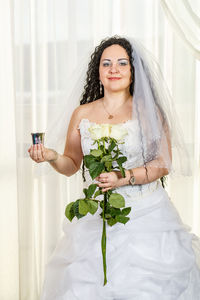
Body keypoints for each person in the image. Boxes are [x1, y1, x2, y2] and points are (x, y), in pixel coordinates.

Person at [28, 36, 200, 300]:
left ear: (133, 72)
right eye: (106, 63)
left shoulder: (149, 111)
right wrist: (51, 156)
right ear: (98, 71)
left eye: (122, 63)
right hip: (96, 215)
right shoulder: (82, 113)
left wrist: (124, 178)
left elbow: (163, 164)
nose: (113, 69)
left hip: (146, 216)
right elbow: (71, 164)